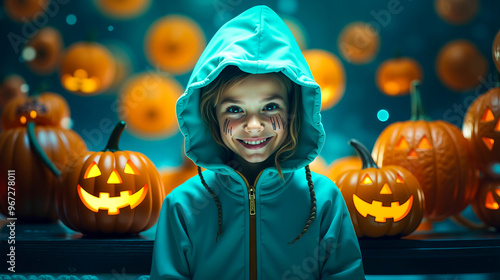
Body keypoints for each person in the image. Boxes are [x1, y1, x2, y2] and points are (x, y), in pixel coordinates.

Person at [150, 5, 365, 280]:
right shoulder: (182, 206)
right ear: (211, 116)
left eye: (270, 107)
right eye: (235, 110)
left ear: (293, 112)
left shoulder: (324, 201)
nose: (254, 126)